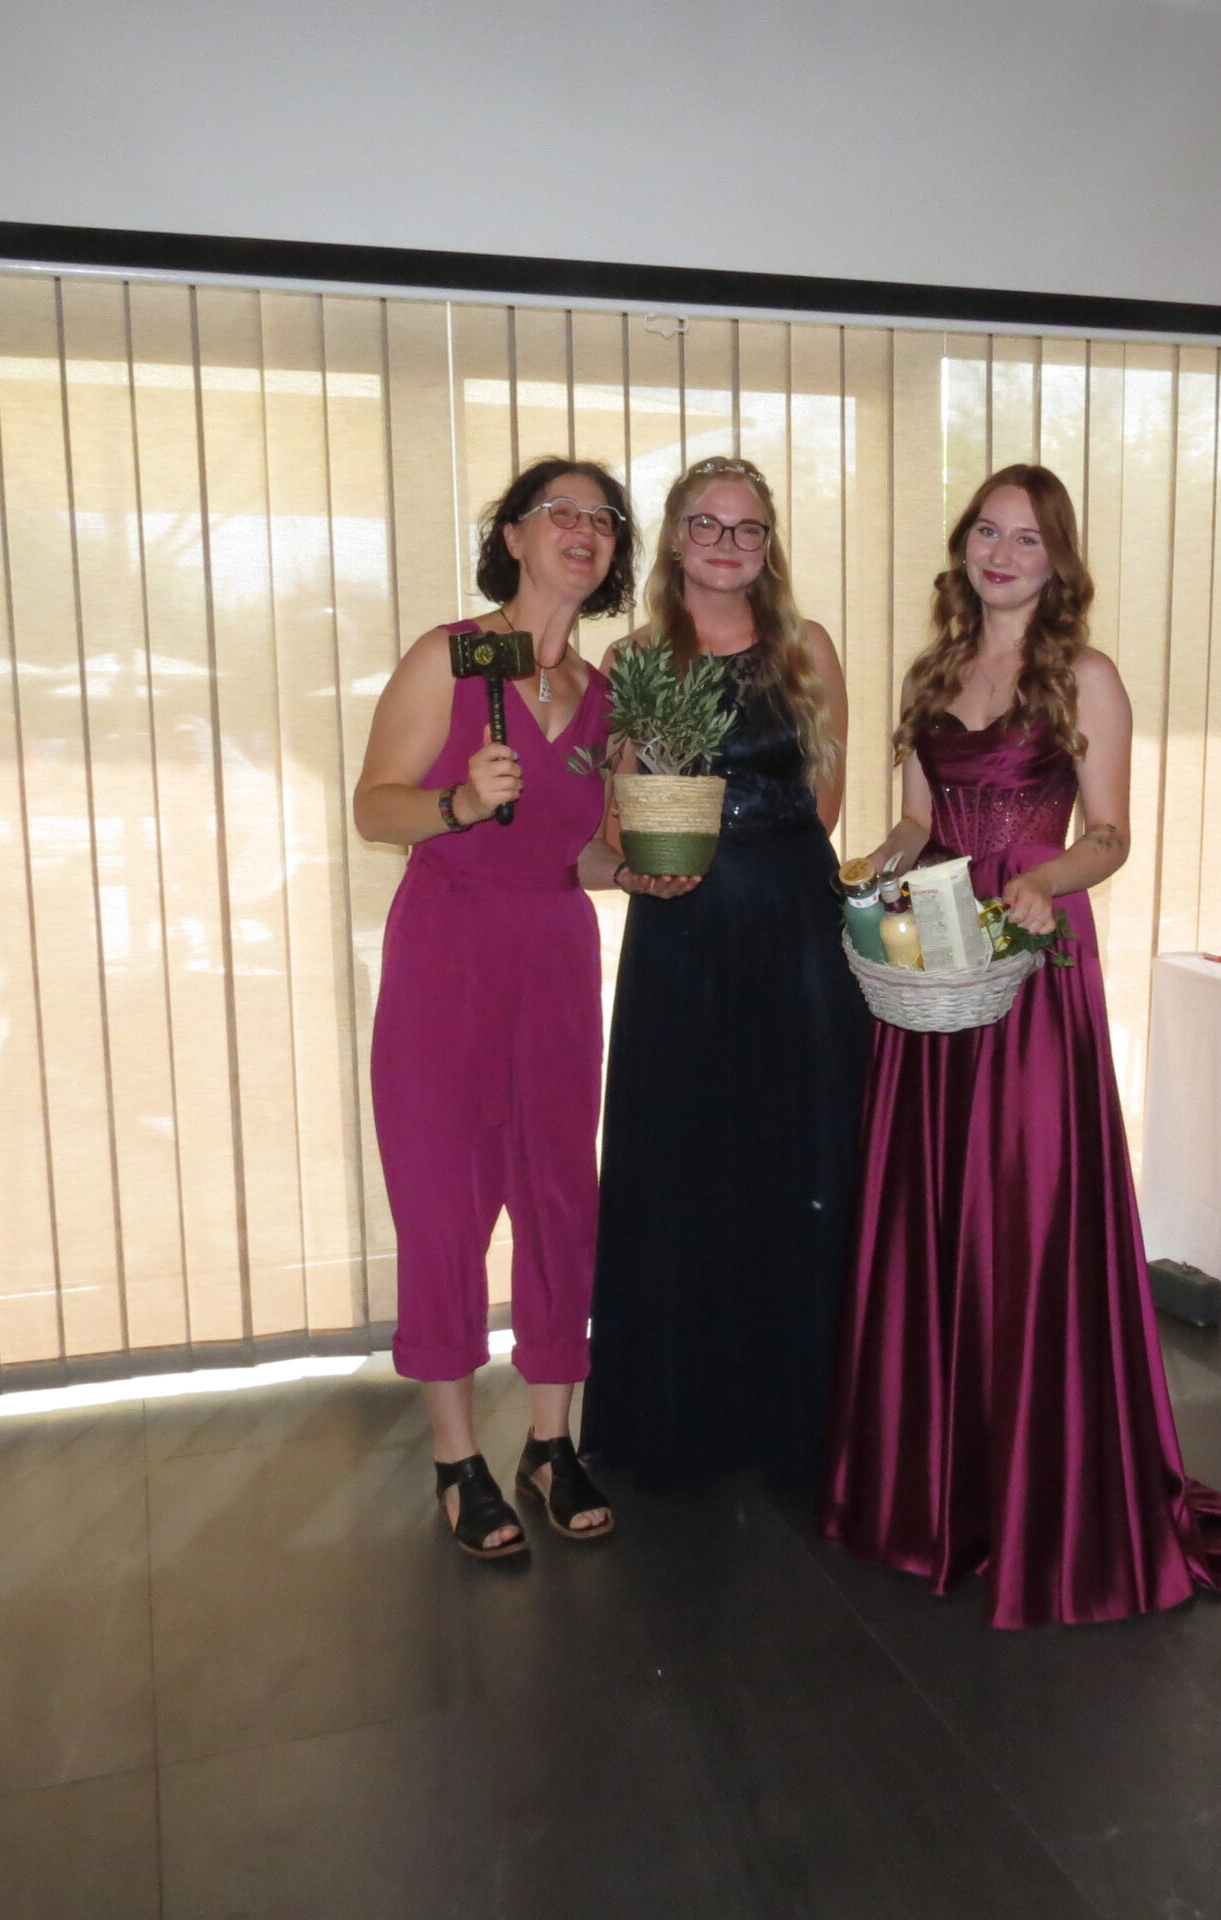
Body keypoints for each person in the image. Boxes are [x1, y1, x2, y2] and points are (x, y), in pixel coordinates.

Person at [817, 463, 1221, 1627]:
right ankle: (933, 1488)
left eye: (1025, 538)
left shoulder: (1085, 677)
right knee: (928, 1209)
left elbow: (1110, 834)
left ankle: (1043, 1490)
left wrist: (1046, 880)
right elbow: (917, 821)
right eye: (985, 531)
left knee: (1025, 1211)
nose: (1001, 554)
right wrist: (872, 865)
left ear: (1057, 561)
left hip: (1029, 960)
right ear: (962, 546)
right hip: (935, 962)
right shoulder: (928, 674)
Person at [352, 456, 684, 1560]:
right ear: (512, 536)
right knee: (443, 1206)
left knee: (557, 1199)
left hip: (553, 959)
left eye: (604, 519)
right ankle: (457, 1456)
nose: (583, 530)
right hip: (446, 953)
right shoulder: (451, 655)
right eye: (560, 512)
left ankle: (550, 1442)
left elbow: (571, 853)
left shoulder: (604, 695)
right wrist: (454, 801)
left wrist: (630, 871)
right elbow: (375, 808)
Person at [581, 456, 872, 1494]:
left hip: (796, 929)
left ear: (768, 546)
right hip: (683, 929)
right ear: (674, 536)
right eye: (706, 524)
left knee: (800, 1155)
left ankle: (804, 1409)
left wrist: (759, 867)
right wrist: (668, 859)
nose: (725, 544)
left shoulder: (807, 648)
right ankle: (685, 1414)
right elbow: (616, 815)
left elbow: (826, 801)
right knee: (686, 1156)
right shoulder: (631, 659)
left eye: (747, 529)